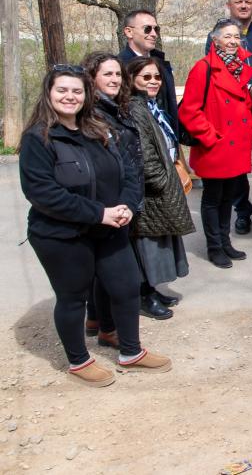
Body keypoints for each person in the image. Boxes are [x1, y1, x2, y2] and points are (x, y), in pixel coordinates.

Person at [19, 65, 170, 386]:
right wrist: (99, 213)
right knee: (73, 297)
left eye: (77, 91)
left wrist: (127, 205)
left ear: (87, 94)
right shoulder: (38, 137)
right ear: (48, 93)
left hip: (109, 227)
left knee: (127, 286)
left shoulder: (98, 129)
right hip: (62, 235)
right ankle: (79, 361)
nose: (70, 97)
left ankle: (130, 352)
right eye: (62, 90)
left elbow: (128, 172)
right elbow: (43, 193)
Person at [180, 18, 252, 269]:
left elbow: (245, 105)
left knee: (228, 197)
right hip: (215, 146)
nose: (233, 41)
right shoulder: (203, 68)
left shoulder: (238, 66)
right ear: (215, 40)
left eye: (236, 37)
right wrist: (211, 137)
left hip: (236, 145)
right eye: (227, 36)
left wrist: (251, 131)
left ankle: (225, 242)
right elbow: (189, 111)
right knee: (213, 198)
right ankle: (214, 247)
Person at [123, 57, 196, 318]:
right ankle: (145, 295)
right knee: (147, 246)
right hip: (152, 191)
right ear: (131, 79)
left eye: (156, 77)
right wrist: (165, 182)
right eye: (146, 77)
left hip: (164, 183)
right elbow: (143, 155)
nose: (153, 81)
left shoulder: (151, 106)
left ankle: (152, 290)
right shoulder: (134, 109)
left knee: (159, 241)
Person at [81, 53, 144, 349]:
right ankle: (107, 326)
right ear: (91, 77)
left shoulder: (115, 107)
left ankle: (96, 319)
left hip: (124, 196)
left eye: (118, 74)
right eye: (107, 74)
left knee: (104, 268)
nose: (115, 79)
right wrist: (121, 203)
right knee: (111, 271)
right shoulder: (93, 113)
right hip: (110, 202)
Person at [203, 0, 252, 237]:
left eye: (248, 2)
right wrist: (247, 88)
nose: (243, 6)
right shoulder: (216, 36)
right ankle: (242, 210)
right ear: (229, 5)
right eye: (238, 2)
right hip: (233, 110)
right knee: (236, 163)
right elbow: (216, 70)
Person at [119, 9, 179, 139]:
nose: (153, 34)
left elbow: (169, 106)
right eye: (147, 29)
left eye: (156, 29)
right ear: (129, 32)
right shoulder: (120, 68)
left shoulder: (161, 63)